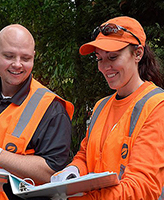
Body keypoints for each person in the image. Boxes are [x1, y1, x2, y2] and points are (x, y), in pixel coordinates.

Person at [51, 16, 164, 199]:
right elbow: (85, 155)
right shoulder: (101, 106)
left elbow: (141, 188)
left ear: (138, 54)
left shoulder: (157, 106)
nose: (104, 67)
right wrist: (73, 170)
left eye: (113, 57)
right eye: (99, 58)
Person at [0, 24, 74, 200]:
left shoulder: (51, 108)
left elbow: (53, 173)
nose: (17, 64)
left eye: (26, 58)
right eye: (9, 56)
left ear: (34, 57)